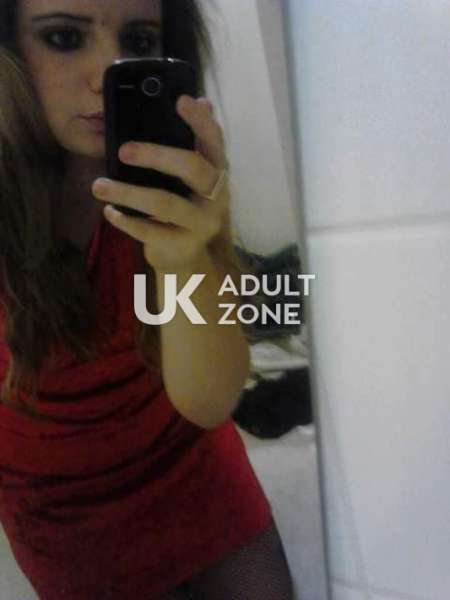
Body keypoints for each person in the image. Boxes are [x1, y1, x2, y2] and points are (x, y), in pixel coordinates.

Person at [0, 0, 294, 598]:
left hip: (197, 478)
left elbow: (208, 400)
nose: (106, 71)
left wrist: (185, 257)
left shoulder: (172, 187)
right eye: (63, 37)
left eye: (138, 41)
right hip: (64, 522)